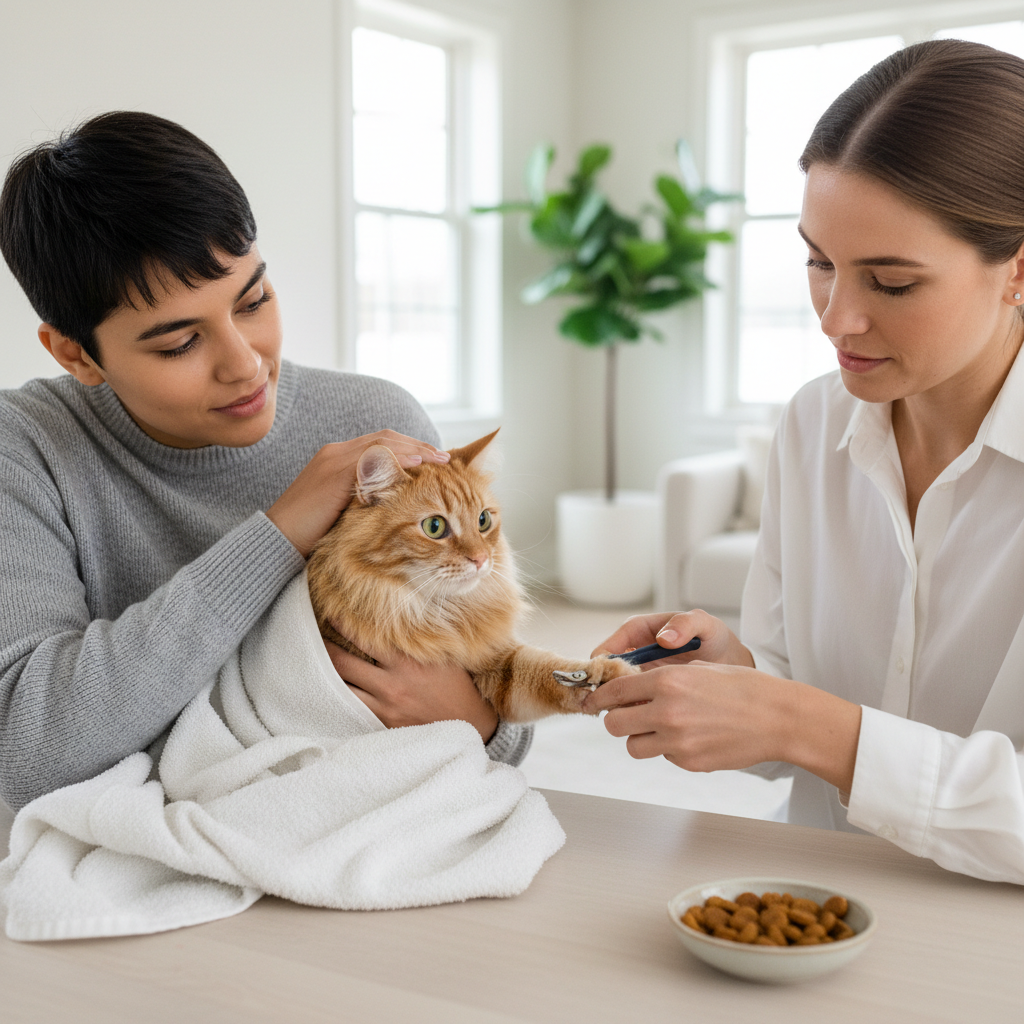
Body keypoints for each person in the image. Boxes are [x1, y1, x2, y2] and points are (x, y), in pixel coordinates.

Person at [0, 111, 531, 814]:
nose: (247, 365)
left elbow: (493, 704)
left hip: (367, 832)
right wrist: (278, 534)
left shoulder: (379, 427)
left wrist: (478, 721)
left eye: (253, 301)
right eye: (179, 344)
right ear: (74, 353)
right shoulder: (27, 449)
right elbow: (28, 749)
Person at [586, 39, 1024, 885]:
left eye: (890, 284)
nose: (836, 319)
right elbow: (793, 692)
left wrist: (807, 725)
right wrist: (738, 679)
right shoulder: (814, 423)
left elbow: (815, 726)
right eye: (819, 263)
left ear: (1017, 272)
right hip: (818, 894)